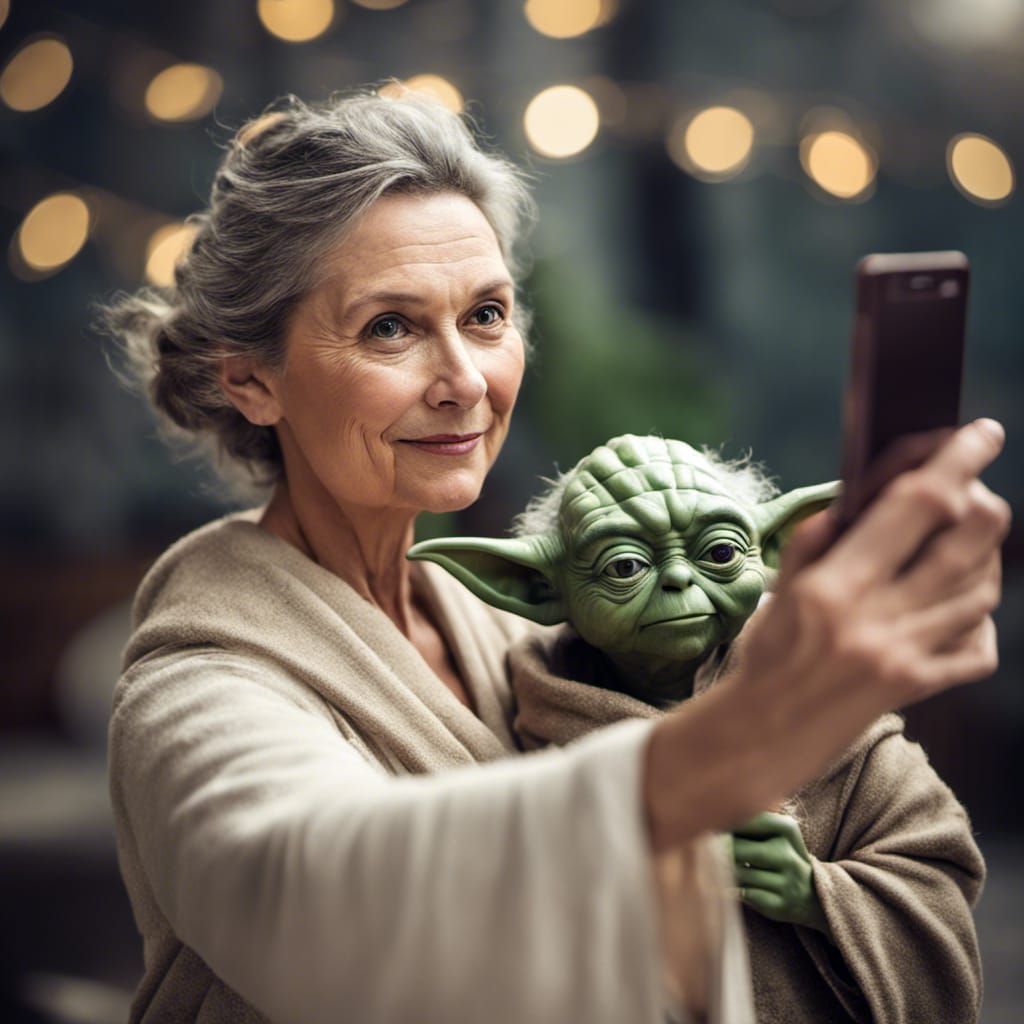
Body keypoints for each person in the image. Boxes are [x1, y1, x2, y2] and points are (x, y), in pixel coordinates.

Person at [103, 90, 1009, 1024]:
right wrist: (747, 733)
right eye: (390, 326)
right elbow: (321, 903)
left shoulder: (525, 623)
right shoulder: (197, 687)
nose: (464, 381)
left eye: (487, 315)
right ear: (250, 379)